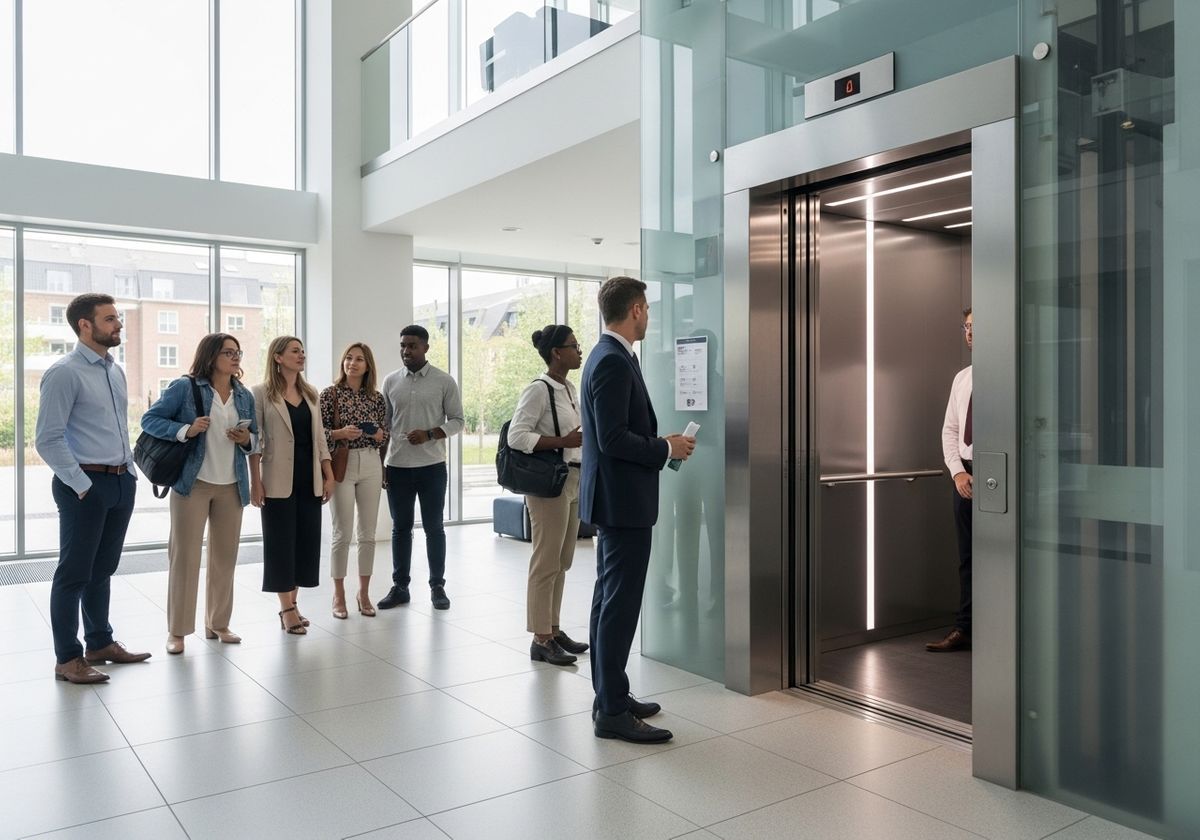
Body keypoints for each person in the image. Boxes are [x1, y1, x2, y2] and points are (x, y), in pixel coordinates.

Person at [580, 276, 695, 743]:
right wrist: (665, 447)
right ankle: (610, 710)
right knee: (619, 606)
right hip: (622, 503)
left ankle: (611, 693)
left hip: (616, 499)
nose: (648, 315)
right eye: (646, 308)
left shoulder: (610, 356)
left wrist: (659, 447)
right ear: (636, 310)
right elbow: (612, 439)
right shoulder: (611, 361)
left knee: (608, 599)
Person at [35, 293, 151, 683]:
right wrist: (83, 486)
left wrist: (130, 473)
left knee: (103, 569)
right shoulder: (64, 372)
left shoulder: (113, 370)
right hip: (85, 484)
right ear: (85, 325)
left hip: (121, 480)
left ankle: (99, 642)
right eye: (110, 319)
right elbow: (48, 439)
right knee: (74, 574)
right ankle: (67, 659)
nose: (118, 325)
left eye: (117, 318)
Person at [141, 333, 257, 655]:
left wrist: (246, 439)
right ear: (211, 355)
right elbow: (149, 420)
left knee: (224, 559)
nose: (235, 358)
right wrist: (185, 430)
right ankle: (177, 631)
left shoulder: (244, 395)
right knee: (185, 558)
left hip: (232, 485)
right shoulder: (186, 387)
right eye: (228, 353)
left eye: (238, 352)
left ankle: (218, 623)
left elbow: (257, 441)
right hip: (192, 484)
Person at [507, 325, 588, 667]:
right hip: (548, 484)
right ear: (557, 352)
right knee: (545, 562)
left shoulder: (568, 387)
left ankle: (553, 629)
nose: (579, 350)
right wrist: (562, 442)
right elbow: (516, 436)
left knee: (563, 560)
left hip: (573, 480)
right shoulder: (537, 390)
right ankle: (540, 639)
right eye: (574, 345)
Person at [249, 336, 335, 634]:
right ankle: (286, 608)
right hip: (276, 481)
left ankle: (294, 603)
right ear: (278, 357)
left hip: (308, 478)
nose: (301, 356)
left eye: (302, 351)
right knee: (280, 544)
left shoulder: (311, 393)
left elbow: (320, 436)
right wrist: (255, 480)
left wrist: (328, 472)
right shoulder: (261, 393)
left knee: (305, 544)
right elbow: (255, 440)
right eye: (294, 351)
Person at [377, 325, 464, 611]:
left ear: (426, 347)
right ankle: (400, 587)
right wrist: (381, 465)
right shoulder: (390, 382)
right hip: (397, 467)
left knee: (434, 528)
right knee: (400, 529)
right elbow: (385, 427)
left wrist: (429, 433)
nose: (406, 350)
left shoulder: (444, 381)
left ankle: (437, 586)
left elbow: (458, 421)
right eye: (403, 345)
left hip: (432, 468)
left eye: (412, 345)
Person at [320, 342, 389, 619]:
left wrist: (378, 435)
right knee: (342, 533)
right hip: (342, 463)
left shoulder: (376, 397)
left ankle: (364, 592)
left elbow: (385, 433)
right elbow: (319, 434)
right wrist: (339, 434)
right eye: (349, 358)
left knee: (368, 533)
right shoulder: (330, 394)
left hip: (371, 461)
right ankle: (338, 594)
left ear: (368, 365)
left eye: (359, 359)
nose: (353, 363)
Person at [929, 307, 973, 653]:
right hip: (966, 475)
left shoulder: (1011, 372)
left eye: (976, 327)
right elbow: (950, 430)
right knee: (968, 556)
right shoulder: (962, 378)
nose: (970, 333)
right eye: (967, 327)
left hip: (1002, 471)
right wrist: (957, 470)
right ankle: (965, 628)